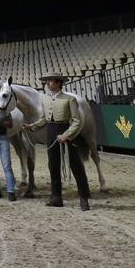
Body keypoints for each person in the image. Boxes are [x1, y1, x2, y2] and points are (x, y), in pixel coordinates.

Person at [26, 74, 89, 210]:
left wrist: (66, 135)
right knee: (53, 166)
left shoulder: (69, 99)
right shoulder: (46, 99)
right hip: (51, 131)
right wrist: (33, 126)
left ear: (59, 83)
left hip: (66, 131)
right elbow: (44, 119)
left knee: (76, 166)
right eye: (47, 81)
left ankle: (84, 198)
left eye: (50, 81)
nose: (48, 83)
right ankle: (56, 197)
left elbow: (77, 121)